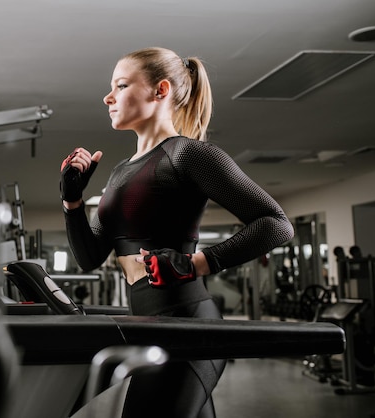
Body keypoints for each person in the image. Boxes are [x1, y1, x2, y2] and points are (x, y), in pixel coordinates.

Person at [59, 47, 294, 418]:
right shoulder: (120, 171)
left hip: (187, 324)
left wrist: (196, 263)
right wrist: (73, 202)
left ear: (161, 90)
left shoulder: (187, 155)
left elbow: (276, 224)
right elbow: (90, 258)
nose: (108, 97)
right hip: (147, 324)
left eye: (120, 85)